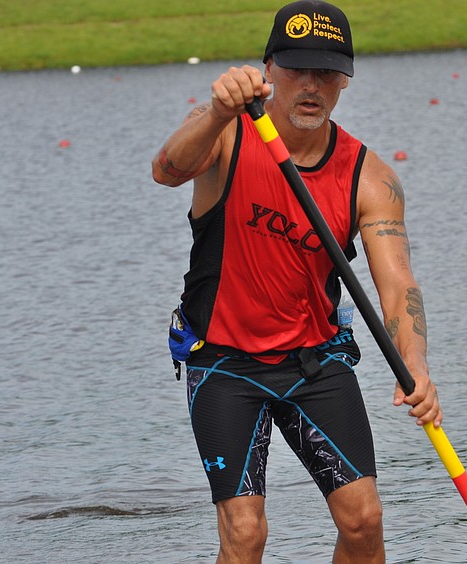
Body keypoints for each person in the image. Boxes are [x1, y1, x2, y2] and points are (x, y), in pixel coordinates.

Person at [151, 1, 441, 562]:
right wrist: (215, 109)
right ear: (268, 70)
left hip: (315, 364)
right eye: (296, 69)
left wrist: (417, 366)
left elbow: (397, 284)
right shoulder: (226, 134)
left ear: (346, 82)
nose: (311, 85)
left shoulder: (370, 176)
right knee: (245, 530)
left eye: (328, 73)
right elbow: (165, 170)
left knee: (364, 521)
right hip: (223, 364)